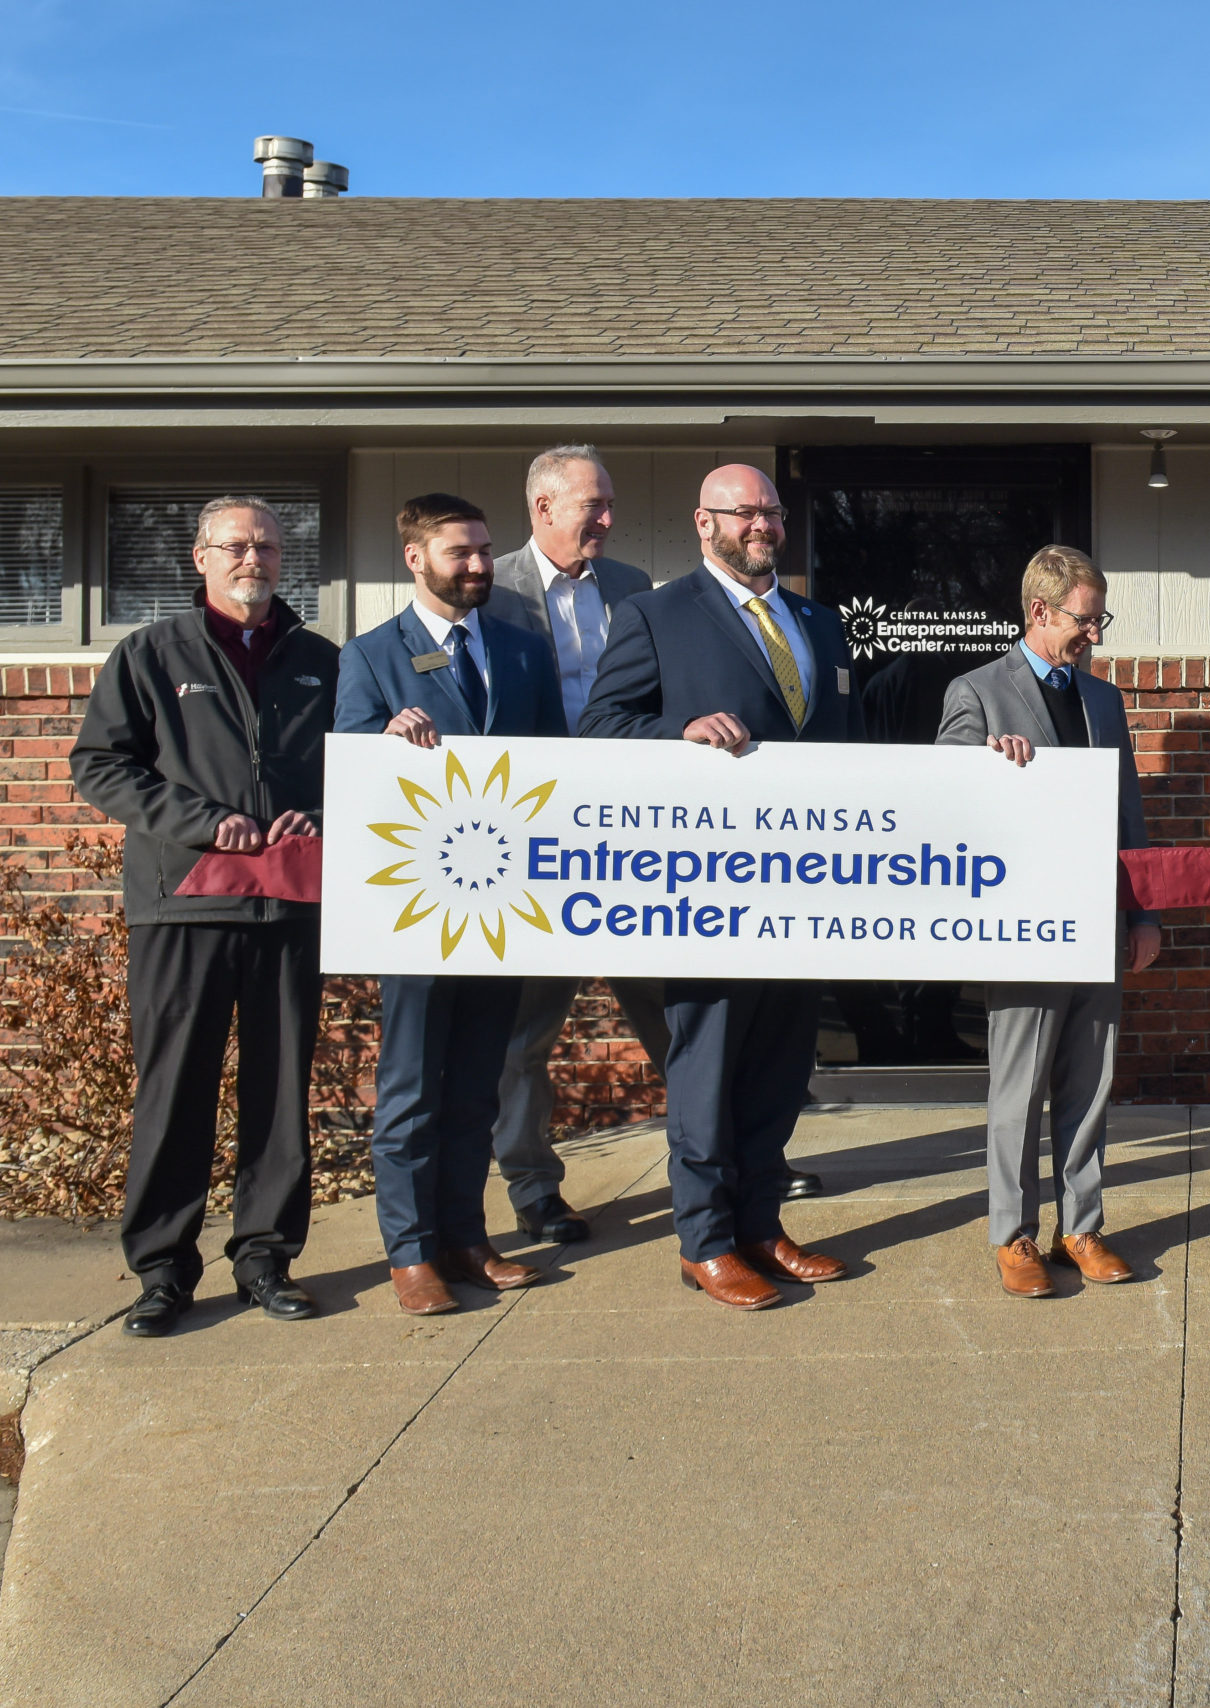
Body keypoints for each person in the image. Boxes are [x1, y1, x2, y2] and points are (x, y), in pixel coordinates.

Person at [578, 464, 862, 1310]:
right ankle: (703, 1241)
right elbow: (600, 726)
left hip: (808, 891)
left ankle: (760, 1225)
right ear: (704, 524)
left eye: (772, 510)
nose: (764, 525)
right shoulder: (655, 616)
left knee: (779, 1068)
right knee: (706, 1071)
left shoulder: (820, 621)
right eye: (745, 513)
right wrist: (680, 730)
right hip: (712, 895)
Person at [70, 496, 337, 1336]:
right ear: (200, 558)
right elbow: (100, 767)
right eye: (234, 545)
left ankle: (265, 1256)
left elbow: (357, 770)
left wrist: (320, 819)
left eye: (265, 545)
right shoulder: (150, 654)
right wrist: (196, 819)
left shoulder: (322, 661)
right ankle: (161, 1269)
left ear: (282, 559)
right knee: (175, 1090)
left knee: (279, 1091)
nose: (251, 557)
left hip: (290, 903)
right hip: (182, 906)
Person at [335, 494, 568, 1314]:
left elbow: (554, 769)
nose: (476, 566)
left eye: (482, 551)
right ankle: (410, 1253)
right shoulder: (369, 658)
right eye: (458, 553)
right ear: (414, 558)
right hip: (421, 911)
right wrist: (382, 745)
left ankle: (468, 1240)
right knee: (410, 1091)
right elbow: (352, 777)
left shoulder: (522, 648)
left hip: (501, 907)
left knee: (477, 1086)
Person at [480, 445, 701, 1249]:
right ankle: (534, 1189)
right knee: (527, 1033)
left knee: (674, 1012)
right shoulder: (489, 588)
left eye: (608, 505)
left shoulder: (632, 588)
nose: (607, 519)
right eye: (591, 506)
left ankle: (716, 1162)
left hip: (631, 837)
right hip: (533, 838)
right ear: (543, 508)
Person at [935, 545, 1164, 1298]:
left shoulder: (1104, 700)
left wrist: (1143, 912)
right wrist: (985, 764)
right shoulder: (976, 691)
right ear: (1040, 611)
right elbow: (945, 796)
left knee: (1090, 1083)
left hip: (1097, 916)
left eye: (1100, 619)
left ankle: (1081, 1227)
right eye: (1084, 619)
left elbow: (1129, 812)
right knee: (1019, 1088)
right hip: (1024, 924)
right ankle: (1013, 1234)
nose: (1094, 634)